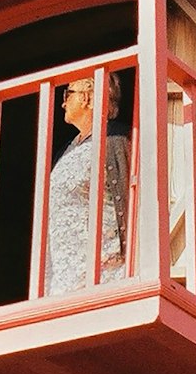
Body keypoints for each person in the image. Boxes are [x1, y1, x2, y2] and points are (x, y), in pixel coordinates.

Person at [45, 73, 131, 295]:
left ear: (87, 97)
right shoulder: (68, 148)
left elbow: (130, 197)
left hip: (103, 276)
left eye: (68, 93)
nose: (63, 102)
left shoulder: (116, 139)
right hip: (63, 280)